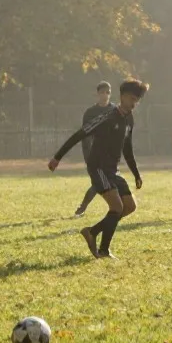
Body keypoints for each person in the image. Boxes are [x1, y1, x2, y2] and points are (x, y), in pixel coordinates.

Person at [50, 78, 147, 259]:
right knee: (117, 207)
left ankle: (96, 239)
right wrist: (57, 157)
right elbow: (80, 134)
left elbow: (127, 148)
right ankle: (98, 242)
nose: (135, 104)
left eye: (137, 100)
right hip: (98, 167)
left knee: (129, 206)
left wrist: (136, 174)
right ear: (123, 97)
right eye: (132, 99)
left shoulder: (129, 119)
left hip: (113, 169)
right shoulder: (107, 117)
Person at [73, 82, 112, 217]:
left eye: (108, 92)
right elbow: (85, 135)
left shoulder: (114, 110)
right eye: (102, 92)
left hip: (110, 154)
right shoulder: (90, 113)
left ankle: (83, 208)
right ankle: (83, 207)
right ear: (97, 94)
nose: (105, 95)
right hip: (95, 153)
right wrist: (87, 156)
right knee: (98, 182)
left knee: (103, 182)